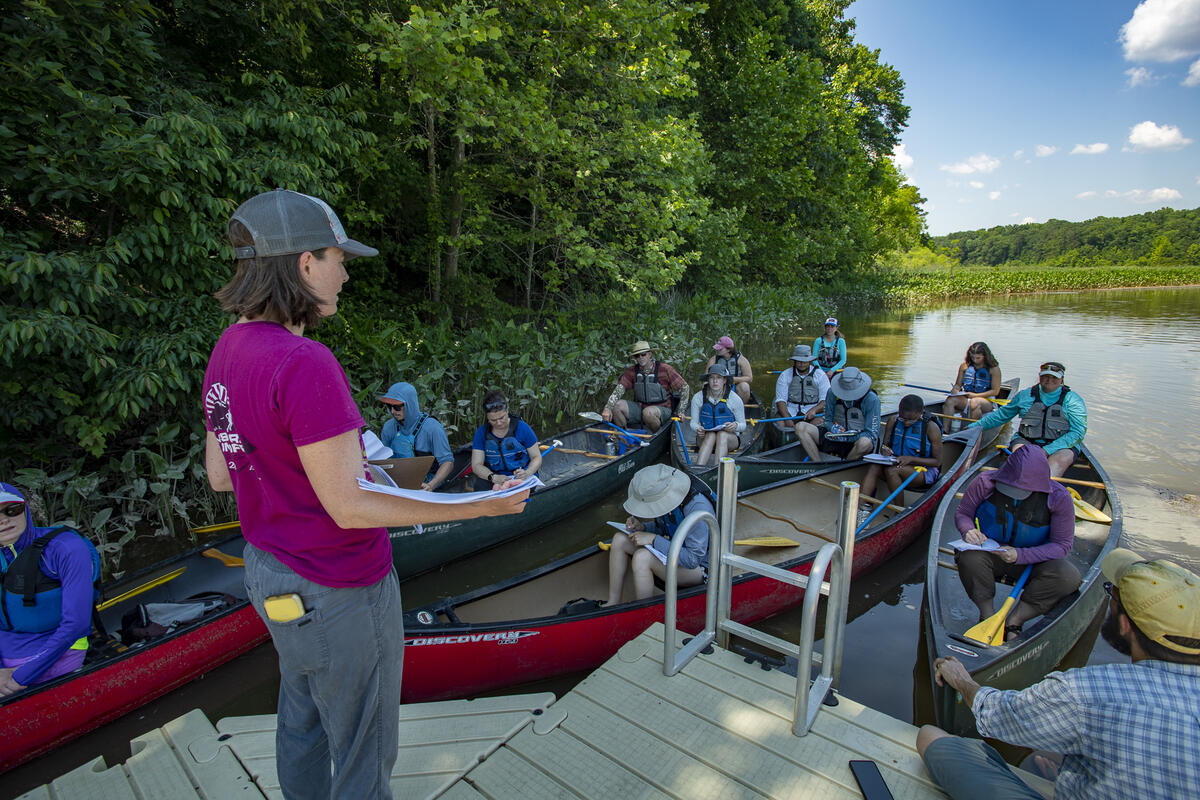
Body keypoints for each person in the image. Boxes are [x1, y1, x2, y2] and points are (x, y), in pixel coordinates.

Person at [203, 189, 527, 799]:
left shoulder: (229, 348)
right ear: (304, 264)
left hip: (270, 574)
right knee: (363, 745)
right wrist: (477, 504)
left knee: (301, 718)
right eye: (338, 257)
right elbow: (348, 507)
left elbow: (224, 473)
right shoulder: (305, 362)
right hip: (339, 587)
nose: (345, 273)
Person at [918, 546, 1200, 800]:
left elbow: (999, 716)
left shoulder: (1084, 690)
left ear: (1125, 625)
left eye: (1110, 594)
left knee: (930, 736)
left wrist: (963, 680)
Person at [953, 444, 1081, 638]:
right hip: (992, 552)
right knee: (968, 557)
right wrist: (968, 530)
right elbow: (963, 513)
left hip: (1034, 561)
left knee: (1068, 577)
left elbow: (1062, 546)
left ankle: (1016, 620)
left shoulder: (1059, 497)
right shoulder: (984, 482)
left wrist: (1020, 555)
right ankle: (987, 615)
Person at [0, 483, 101, 697]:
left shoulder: (65, 548)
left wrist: (18, 678)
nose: (3, 520)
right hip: (6, 662)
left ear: (25, 509)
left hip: (56, 655)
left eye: (11, 510)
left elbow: (76, 624)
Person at [606, 465, 712, 605]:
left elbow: (693, 560)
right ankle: (612, 602)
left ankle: (645, 615)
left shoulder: (697, 507)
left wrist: (654, 539)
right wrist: (643, 527)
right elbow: (665, 527)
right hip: (675, 551)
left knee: (642, 558)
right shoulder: (669, 496)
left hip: (701, 569)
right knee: (619, 539)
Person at [970, 360, 1086, 477]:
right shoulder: (1025, 396)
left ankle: (1046, 488)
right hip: (1027, 441)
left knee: (1059, 461)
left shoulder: (1073, 400)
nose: (1049, 380)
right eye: (1045, 376)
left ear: (1062, 379)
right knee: (1024, 459)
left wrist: (1047, 450)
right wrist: (973, 427)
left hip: (1061, 446)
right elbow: (1000, 416)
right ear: (1039, 377)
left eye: (1054, 377)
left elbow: (1078, 432)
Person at [860, 394, 942, 501]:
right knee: (874, 467)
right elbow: (884, 446)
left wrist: (911, 459)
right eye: (903, 419)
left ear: (921, 413)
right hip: (895, 463)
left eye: (911, 420)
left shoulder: (931, 427)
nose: (906, 423)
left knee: (892, 471)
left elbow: (937, 462)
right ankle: (860, 506)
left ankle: (898, 511)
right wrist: (885, 450)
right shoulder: (893, 421)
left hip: (923, 470)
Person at [377, 382, 455, 490]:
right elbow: (383, 460)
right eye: (389, 406)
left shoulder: (432, 428)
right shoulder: (388, 427)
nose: (392, 411)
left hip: (428, 483)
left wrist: (431, 485)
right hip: (398, 481)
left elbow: (448, 462)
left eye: (397, 407)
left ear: (410, 404)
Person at [602, 340, 689, 433]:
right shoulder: (631, 371)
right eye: (637, 355)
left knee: (648, 413)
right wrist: (607, 408)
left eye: (643, 354)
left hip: (662, 409)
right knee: (616, 406)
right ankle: (624, 436)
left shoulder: (665, 369)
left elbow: (684, 387)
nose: (640, 357)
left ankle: (657, 435)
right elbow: (619, 390)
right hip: (640, 408)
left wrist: (681, 410)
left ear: (650, 354)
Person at [471, 390, 542, 490]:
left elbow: (536, 457)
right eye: (493, 420)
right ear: (487, 417)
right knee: (479, 486)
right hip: (496, 477)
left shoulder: (522, 428)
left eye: (502, 417)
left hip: (521, 476)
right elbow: (476, 465)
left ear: (507, 411)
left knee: (521, 489)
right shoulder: (481, 433)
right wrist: (492, 477)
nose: (499, 423)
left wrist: (527, 472)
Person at [773, 344, 830, 463]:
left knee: (820, 422)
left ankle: (812, 449)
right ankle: (783, 452)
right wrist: (788, 418)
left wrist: (814, 410)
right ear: (794, 361)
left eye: (804, 361)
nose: (802, 364)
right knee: (780, 423)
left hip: (811, 413)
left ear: (809, 361)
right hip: (791, 410)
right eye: (799, 361)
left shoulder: (820, 375)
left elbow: (825, 400)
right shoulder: (785, 375)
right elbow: (781, 400)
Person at [688, 363, 747, 466]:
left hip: (729, 440)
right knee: (711, 435)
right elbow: (693, 423)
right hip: (705, 438)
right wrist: (698, 428)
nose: (715, 381)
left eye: (719, 378)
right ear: (708, 380)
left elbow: (743, 425)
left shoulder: (734, 399)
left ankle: (717, 469)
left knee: (722, 434)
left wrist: (735, 426)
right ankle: (699, 468)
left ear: (724, 380)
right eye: (712, 378)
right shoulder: (698, 397)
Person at [820, 367, 880, 461]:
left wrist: (847, 437)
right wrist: (833, 429)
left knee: (865, 443)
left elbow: (871, 434)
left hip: (857, 440)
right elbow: (827, 420)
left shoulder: (871, 399)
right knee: (802, 428)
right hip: (835, 437)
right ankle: (818, 463)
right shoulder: (832, 393)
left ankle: (843, 467)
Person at [945, 342, 1003, 427]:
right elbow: (958, 384)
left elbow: (995, 391)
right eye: (973, 357)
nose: (975, 360)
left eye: (978, 358)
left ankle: (972, 431)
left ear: (985, 356)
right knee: (950, 400)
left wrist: (975, 395)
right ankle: (945, 430)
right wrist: (955, 389)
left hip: (987, 401)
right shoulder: (964, 366)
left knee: (975, 402)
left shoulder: (994, 369)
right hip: (967, 397)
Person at [706, 335, 753, 404]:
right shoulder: (713, 359)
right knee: (706, 384)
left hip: (736, 385)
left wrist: (732, 379)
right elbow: (706, 376)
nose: (717, 350)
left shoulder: (741, 359)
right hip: (718, 384)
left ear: (728, 350)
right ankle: (713, 406)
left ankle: (740, 407)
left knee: (745, 387)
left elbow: (749, 378)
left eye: (720, 349)